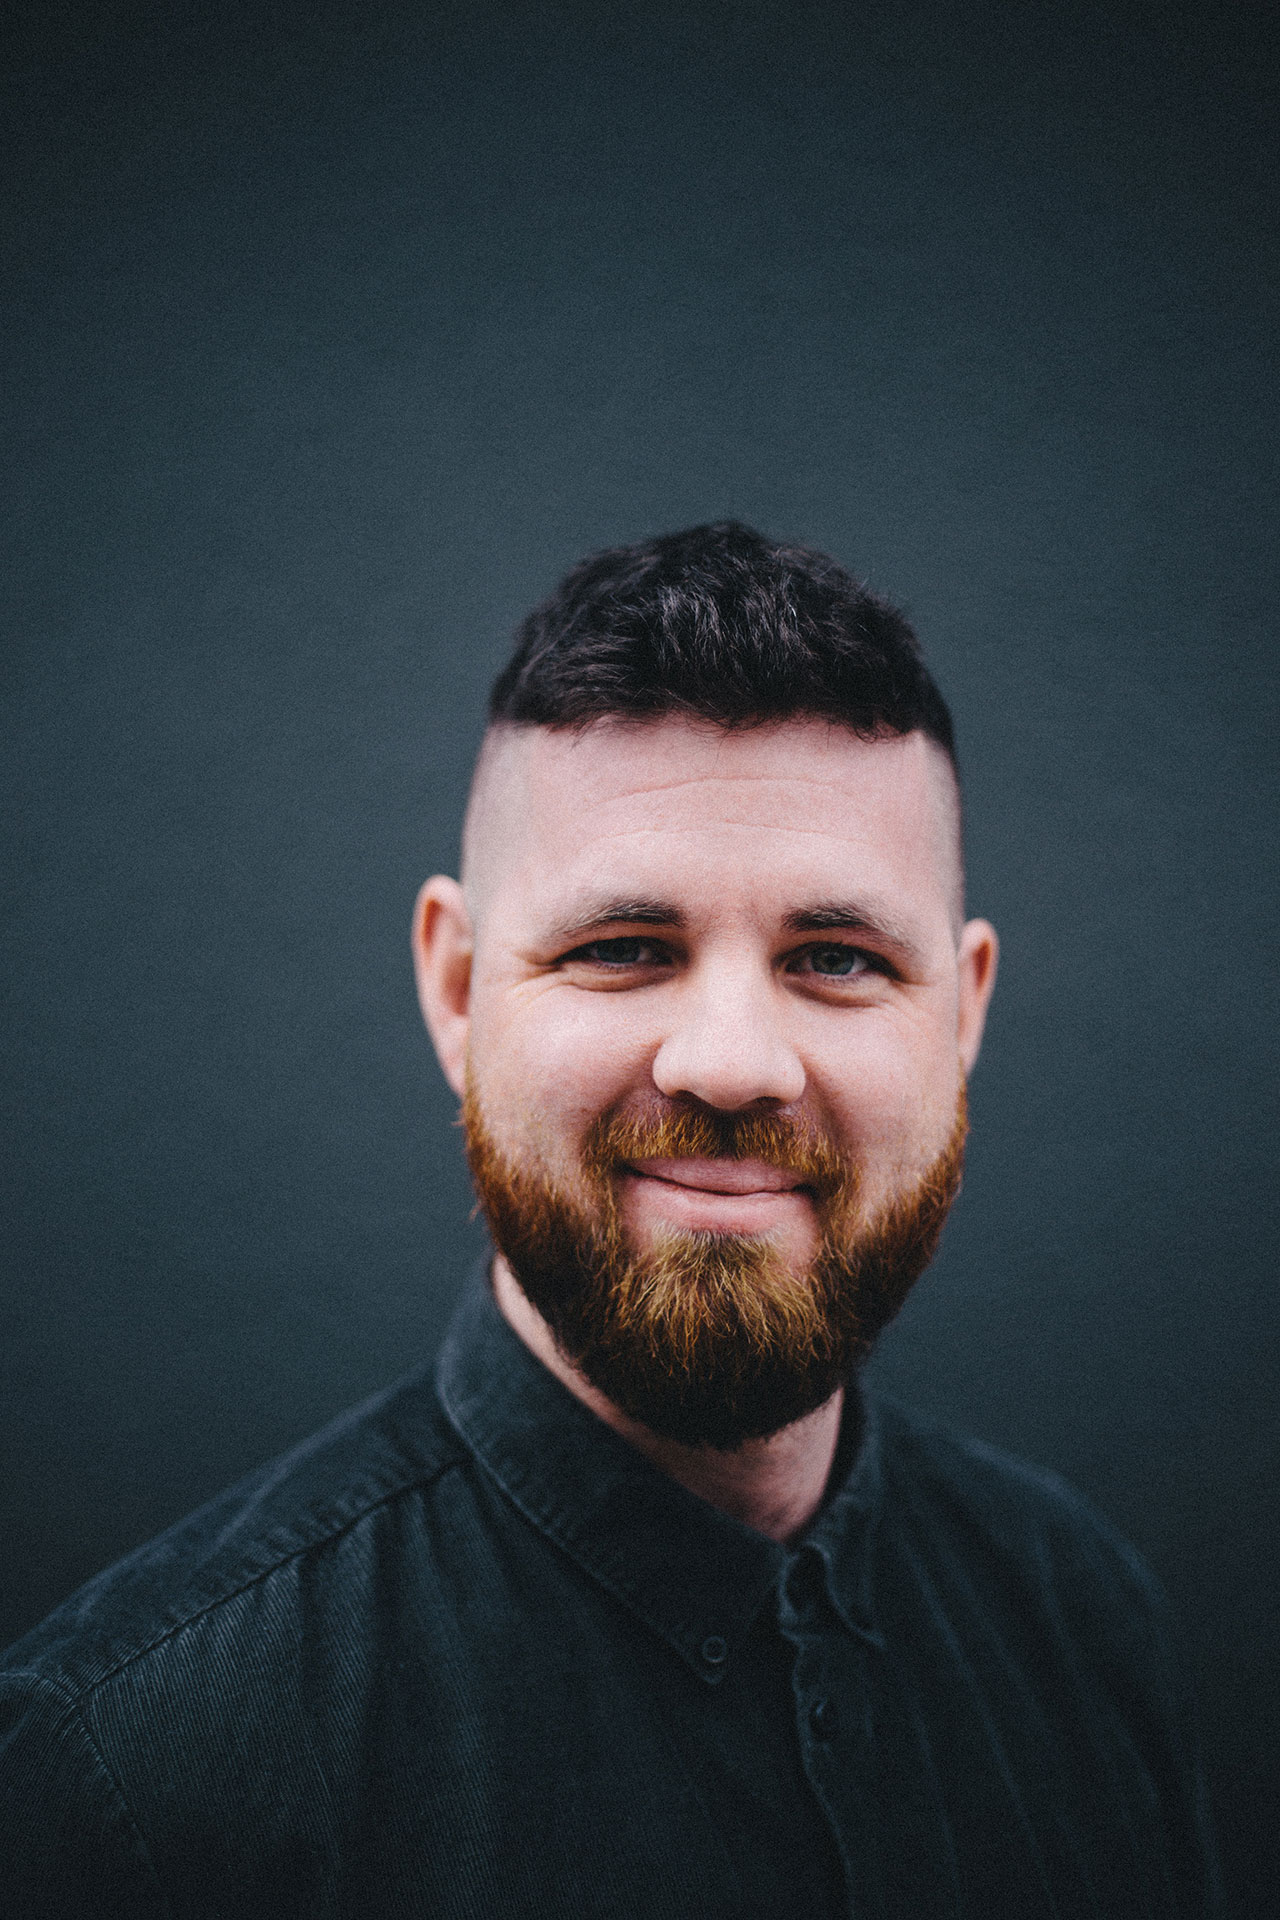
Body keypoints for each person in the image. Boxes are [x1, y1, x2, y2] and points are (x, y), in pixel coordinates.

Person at [0, 523, 1219, 1917]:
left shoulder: (1083, 1617)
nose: (732, 1063)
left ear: (964, 1013)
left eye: (837, 958)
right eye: (624, 949)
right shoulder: (127, 1773)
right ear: (457, 990)